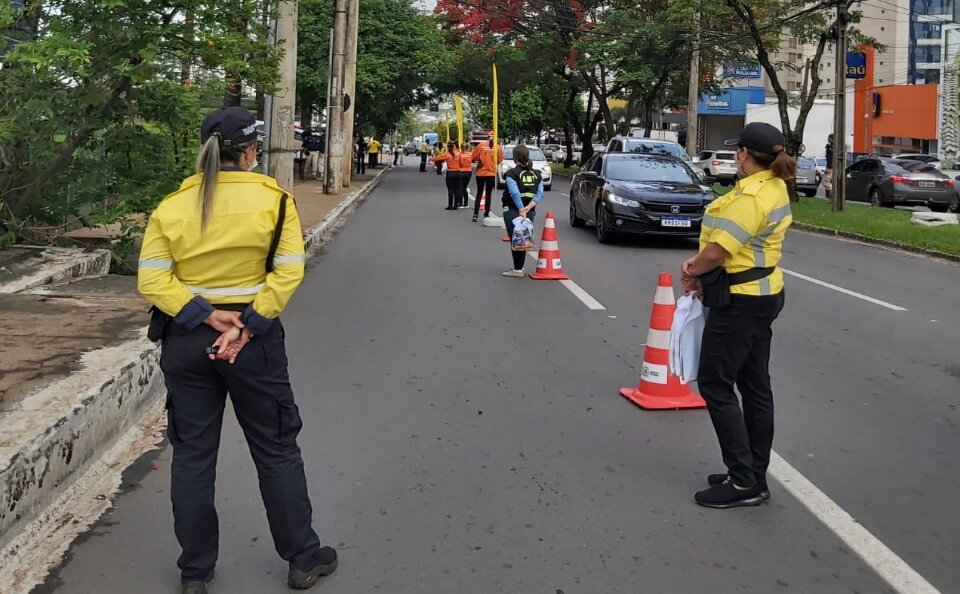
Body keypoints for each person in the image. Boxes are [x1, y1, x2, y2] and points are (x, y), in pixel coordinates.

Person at [137, 107, 337, 594]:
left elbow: (152, 280)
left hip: (187, 341)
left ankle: (195, 572)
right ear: (251, 151)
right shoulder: (275, 201)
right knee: (276, 449)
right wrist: (246, 325)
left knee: (192, 456)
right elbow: (288, 270)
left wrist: (206, 316)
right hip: (254, 343)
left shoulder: (172, 206)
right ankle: (302, 559)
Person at [679, 122, 794, 509]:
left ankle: (744, 481)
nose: (735, 155)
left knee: (715, 383)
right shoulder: (773, 186)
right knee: (755, 386)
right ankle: (753, 474)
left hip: (740, 302)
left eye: (737, 150)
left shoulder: (751, 197)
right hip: (763, 294)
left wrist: (692, 270)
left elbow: (719, 251)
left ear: (743, 153)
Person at [501, 144, 543, 277]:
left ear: (514, 158)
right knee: (524, 238)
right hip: (530, 210)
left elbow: (514, 193)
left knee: (516, 239)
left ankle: (518, 269)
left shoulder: (511, 174)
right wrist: (529, 207)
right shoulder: (537, 174)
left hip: (513, 210)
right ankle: (520, 267)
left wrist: (521, 210)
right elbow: (540, 193)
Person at [472, 138, 501, 222]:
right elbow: (499, 160)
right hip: (491, 173)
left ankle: (475, 214)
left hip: (480, 173)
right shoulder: (497, 147)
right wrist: (492, 163)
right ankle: (486, 213)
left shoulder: (481, 145)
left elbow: (474, 156)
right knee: (488, 194)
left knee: (479, 193)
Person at [456, 141, 473, 209]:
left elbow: (459, 163)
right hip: (469, 171)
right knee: (464, 187)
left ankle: (460, 203)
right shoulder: (471, 154)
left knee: (460, 187)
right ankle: (466, 203)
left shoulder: (460, 154)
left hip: (461, 171)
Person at [822, 133, 834, 199]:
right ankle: (830, 196)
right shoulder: (831, 147)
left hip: (830, 167)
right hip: (831, 167)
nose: (827, 139)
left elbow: (830, 159)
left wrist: (828, 167)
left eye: (829, 138)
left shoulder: (830, 148)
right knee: (828, 181)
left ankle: (832, 192)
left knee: (825, 181)